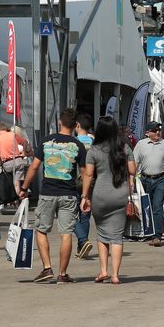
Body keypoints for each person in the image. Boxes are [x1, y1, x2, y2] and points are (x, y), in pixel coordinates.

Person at [18, 108, 86, 284]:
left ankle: (47, 267)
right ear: (75, 125)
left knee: (41, 230)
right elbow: (85, 173)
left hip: (47, 193)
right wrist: (85, 195)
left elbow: (34, 167)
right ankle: (62, 274)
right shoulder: (78, 145)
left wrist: (24, 188)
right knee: (66, 234)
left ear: (59, 122)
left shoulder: (47, 142)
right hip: (69, 194)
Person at [80, 116, 135, 284]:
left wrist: (84, 197)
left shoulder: (94, 150)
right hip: (120, 194)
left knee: (102, 233)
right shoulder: (124, 147)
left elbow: (88, 175)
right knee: (117, 236)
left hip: (100, 195)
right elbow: (132, 170)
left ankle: (103, 271)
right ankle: (115, 275)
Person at [132, 121, 164, 247]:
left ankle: (157, 236)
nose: (158, 132)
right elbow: (135, 163)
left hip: (161, 179)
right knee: (147, 207)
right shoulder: (141, 144)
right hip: (145, 179)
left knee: (157, 206)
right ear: (148, 133)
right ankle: (148, 233)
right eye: (155, 130)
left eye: (159, 130)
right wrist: (132, 180)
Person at [73, 112, 95, 259]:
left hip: (74, 180)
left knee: (70, 213)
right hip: (91, 180)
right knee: (85, 213)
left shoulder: (73, 141)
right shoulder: (94, 142)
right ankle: (82, 246)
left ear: (77, 125)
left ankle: (83, 241)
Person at [0, 123, 30, 203]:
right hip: (18, 161)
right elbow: (25, 141)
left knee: (8, 182)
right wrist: (23, 152)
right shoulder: (12, 135)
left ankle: (11, 200)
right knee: (17, 183)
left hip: (7, 163)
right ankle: (19, 200)